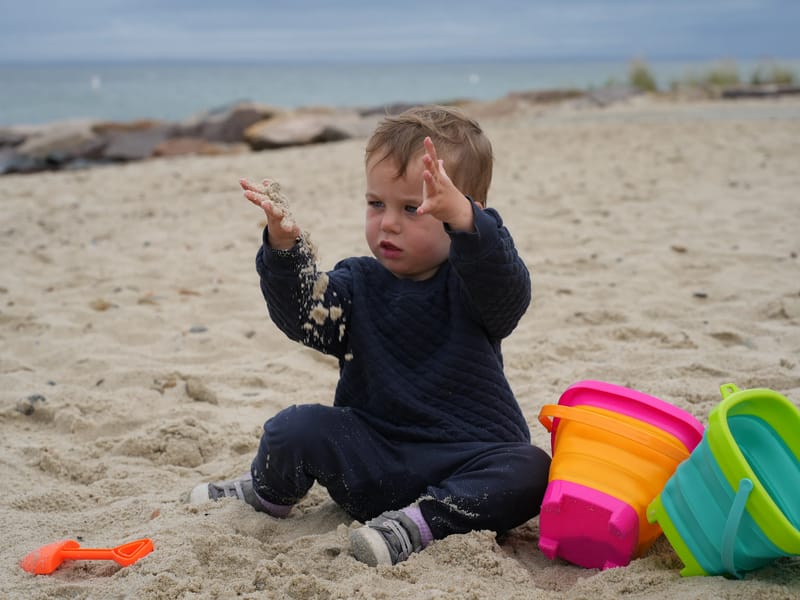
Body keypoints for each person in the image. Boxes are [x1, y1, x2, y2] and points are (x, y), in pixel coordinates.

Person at [190, 105, 551, 566]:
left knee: (531, 469)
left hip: (464, 459)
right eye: (376, 204)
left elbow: (510, 291)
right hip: (371, 459)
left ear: (462, 213)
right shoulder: (357, 283)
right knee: (293, 426)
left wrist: (470, 227)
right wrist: (284, 251)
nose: (389, 223)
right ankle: (266, 493)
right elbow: (304, 315)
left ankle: (419, 524)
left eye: (413, 208)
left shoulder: (474, 283)